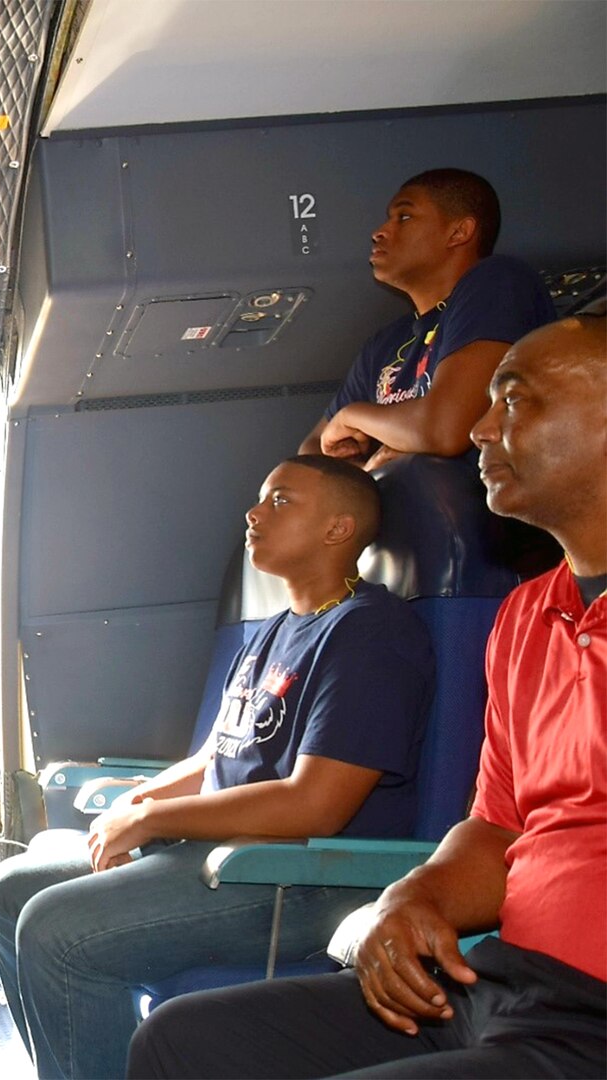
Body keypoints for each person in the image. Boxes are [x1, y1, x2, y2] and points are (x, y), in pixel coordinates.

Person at [127, 315, 606, 1079]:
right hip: (508, 981)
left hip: (591, 1016)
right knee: (180, 1043)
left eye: (513, 402)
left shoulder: (368, 633)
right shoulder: (525, 615)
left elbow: (315, 801)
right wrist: (411, 900)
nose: (478, 430)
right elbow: (494, 831)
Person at [0, 454, 435, 1079]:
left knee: (58, 930)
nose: (253, 513)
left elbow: (315, 805)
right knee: (7, 891)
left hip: (298, 877)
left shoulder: (371, 635)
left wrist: (155, 819)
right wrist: (137, 803)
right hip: (224, 852)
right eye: (259, 498)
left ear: (338, 528)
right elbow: (216, 757)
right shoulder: (277, 630)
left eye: (281, 501)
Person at [300, 168, 553, 469]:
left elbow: (445, 430)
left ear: (459, 232)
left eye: (404, 217)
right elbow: (312, 454)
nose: (379, 231)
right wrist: (363, 476)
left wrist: (352, 416)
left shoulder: (498, 281)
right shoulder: (385, 344)